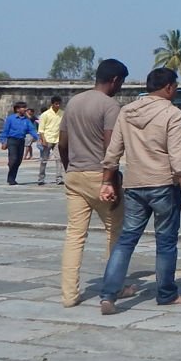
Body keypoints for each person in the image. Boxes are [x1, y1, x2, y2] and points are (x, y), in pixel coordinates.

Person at [97, 67, 181, 313]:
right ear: (169, 87)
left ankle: (108, 294)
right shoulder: (172, 113)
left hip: (134, 184)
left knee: (126, 239)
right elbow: (178, 154)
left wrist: (107, 180)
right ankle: (166, 294)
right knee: (166, 242)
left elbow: (113, 151)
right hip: (163, 184)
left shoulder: (126, 111)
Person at [59, 58, 129, 308]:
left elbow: (62, 143)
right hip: (100, 175)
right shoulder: (111, 106)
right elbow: (110, 147)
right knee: (116, 231)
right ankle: (115, 285)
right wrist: (110, 179)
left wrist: (70, 169)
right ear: (115, 80)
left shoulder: (74, 102)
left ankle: (69, 295)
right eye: (121, 82)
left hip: (75, 175)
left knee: (75, 235)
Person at [0, 101, 40, 186]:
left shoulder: (26, 120)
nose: (25, 109)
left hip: (21, 141)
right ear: (17, 109)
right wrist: (3, 141)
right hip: (12, 140)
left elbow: (32, 130)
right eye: (23, 108)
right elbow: (5, 130)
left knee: (18, 161)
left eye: (25, 107)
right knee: (13, 159)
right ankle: (10, 178)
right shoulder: (11, 119)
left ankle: (13, 178)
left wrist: (38, 138)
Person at [37, 96, 64, 186]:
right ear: (52, 104)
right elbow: (41, 129)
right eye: (56, 104)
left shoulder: (62, 113)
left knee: (59, 159)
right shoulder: (45, 114)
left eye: (59, 104)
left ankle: (59, 178)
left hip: (57, 140)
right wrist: (43, 139)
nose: (58, 105)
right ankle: (41, 178)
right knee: (44, 160)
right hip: (47, 139)